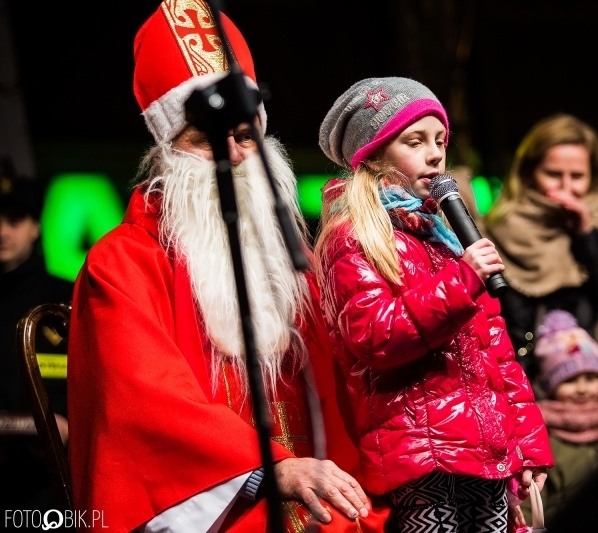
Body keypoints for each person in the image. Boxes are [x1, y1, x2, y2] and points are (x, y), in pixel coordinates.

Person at [67, 2, 389, 531]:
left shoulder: (288, 257)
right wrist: (271, 468)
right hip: (215, 500)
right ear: (167, 147)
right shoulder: (122, 264)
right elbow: (143, 406)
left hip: (324, 487)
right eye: (209, 140)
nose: (237, 156)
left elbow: (348, 381)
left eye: (246, 136)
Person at [314, 76, 554, 532]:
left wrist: (527, 443)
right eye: (415, 141)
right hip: (421, 455)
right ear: (374, 154)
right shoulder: (354, 239)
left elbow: (497, 355)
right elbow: (376, 335)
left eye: (440, 141)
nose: (435, 154)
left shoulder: (444, 240)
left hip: (487, 449)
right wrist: (464, 279)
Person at [482, 113, 598, 379]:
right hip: (528, 386)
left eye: (578, 176)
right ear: (527, 174)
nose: (567, 187)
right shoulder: (494, 234)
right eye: (554, 174)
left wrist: (586, 236)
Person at [1, 169, 73, 513]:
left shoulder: (66, 299)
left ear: (36, 226)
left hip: (55, 481)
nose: (2, 231)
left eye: (15, 219)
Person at [530, 310, 598, 526]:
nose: (582, 389)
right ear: (550, 386)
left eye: (590, 378)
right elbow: (529, 508)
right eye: (569, 380)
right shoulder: (539, 435)